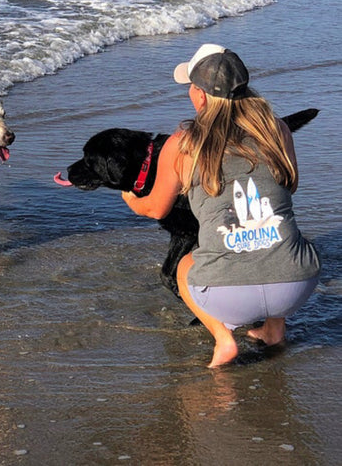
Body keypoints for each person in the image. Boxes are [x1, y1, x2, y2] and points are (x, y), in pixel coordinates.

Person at [122, 43, 321, 368]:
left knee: (186, 264)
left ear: (200, 95)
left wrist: (130, 197)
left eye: (191, 86)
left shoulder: (182, 143)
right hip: (296, 285)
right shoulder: (277, 129)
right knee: (283, 240)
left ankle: (223, 339)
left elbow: (156, 209)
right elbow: (290, 185)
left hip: (229, 296)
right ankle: (273, 330)